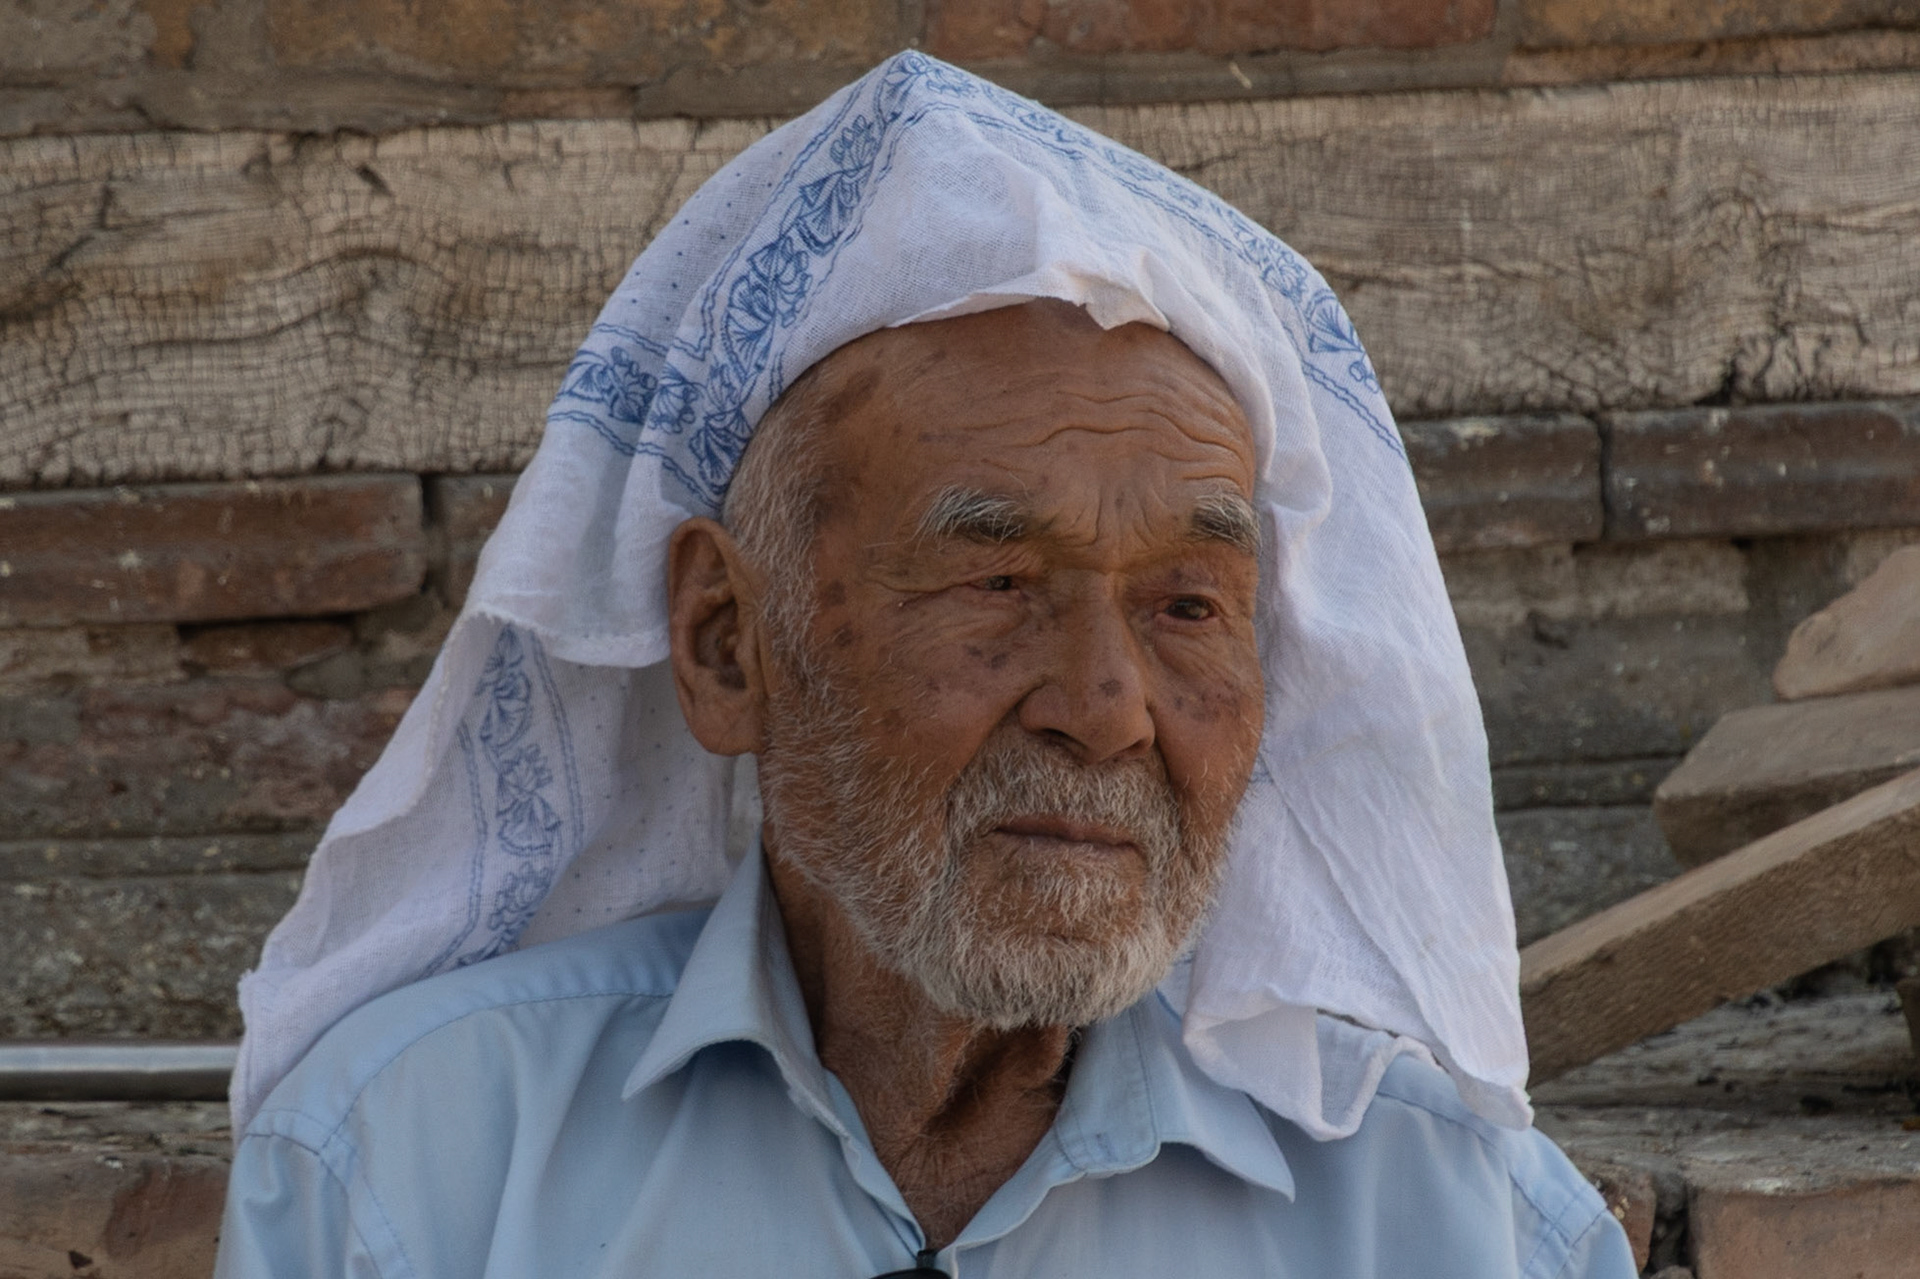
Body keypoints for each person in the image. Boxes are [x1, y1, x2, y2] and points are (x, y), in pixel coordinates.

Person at [214, 52, 1636, 1277]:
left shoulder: (1450, 1230)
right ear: (726, 644)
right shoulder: (410, 1177)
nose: (1103, 710)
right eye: (995, 582)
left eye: (1189, 606)